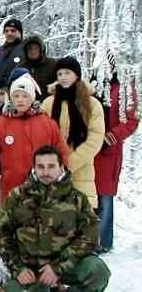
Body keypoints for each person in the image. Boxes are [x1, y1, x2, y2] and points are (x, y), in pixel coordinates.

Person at [0, 145, 110, 292]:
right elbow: (1, 233)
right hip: (30, 270)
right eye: (41, 167)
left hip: (63, 266)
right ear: (34, 168)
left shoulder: (76, 199)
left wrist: (58, 268)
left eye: (51, 166)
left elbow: (90, 235)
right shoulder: (18, 196)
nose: (46, 172)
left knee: (98, 272)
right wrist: (18, 268)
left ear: (61, 168)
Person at [0, 74, 70, 203]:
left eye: (25, 96)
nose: (20, 100)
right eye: (16, 96)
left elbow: (61, 151)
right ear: (10, 98)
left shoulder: (47, 124)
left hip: (44, 191)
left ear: (32, 98)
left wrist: (63, 173)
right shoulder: (1, 125)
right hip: (13, 192)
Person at [41, 57, 105, 209]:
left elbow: (95, 139)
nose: (63, 77)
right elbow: (40, 134)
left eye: (67, 73)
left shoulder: (91, 104)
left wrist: (69, 164)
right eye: (60, 74)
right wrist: (51, 165)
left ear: (77, 75)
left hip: (82, 172)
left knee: (80, 225)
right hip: (50, 172)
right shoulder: (48, 103)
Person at [93, 58, 139, 253]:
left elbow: (132, 121)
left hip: (108, 152)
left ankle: (103, 242)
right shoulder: (92, 84)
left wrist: (112, 136)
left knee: (105, 198)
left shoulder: (125, 89)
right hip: (89, 149)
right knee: (88, 196)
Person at [20, 35, 56, 101]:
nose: (33, 51)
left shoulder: (52, 65)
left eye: (36, 48)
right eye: (30, 48)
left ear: (41, 50)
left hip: (47, 105)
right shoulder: (20, 68)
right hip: (26, 105)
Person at [0, 19, 25, 83]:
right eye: (6, 31)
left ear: (20, 32)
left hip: (19, 90)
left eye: (13, 31)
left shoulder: (27, 50)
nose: (9, 33)